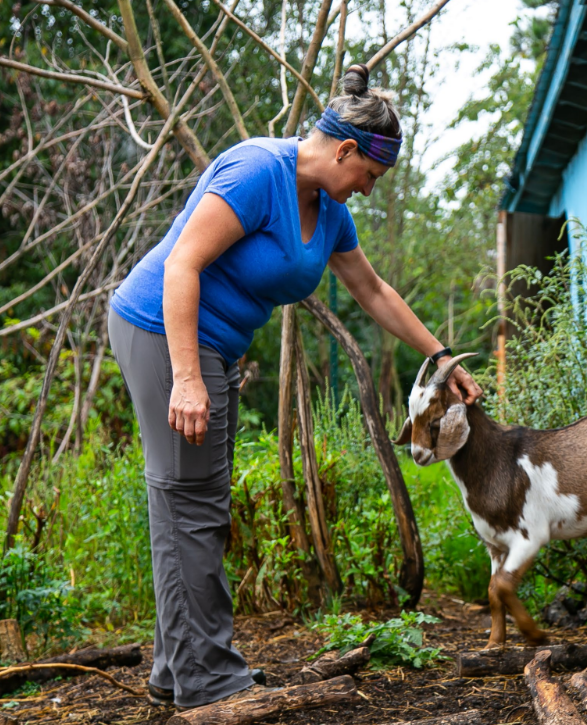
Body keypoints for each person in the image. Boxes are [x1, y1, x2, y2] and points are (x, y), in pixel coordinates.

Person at [107, 64, 481, 711]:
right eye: (369, 175)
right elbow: (182, 264)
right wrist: (189, 377)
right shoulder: (257, 172)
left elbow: (373, 291)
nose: (367, 189)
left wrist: (440, 355)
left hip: (213, 346)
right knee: (192, 505)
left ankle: (178, 670)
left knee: (189, 506)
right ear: (344, 150)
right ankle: (210, 678)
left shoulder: (330, 211)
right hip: (161, 331)